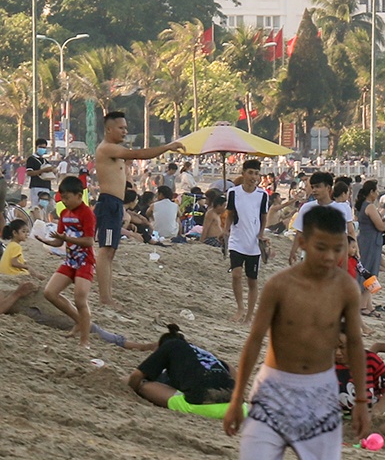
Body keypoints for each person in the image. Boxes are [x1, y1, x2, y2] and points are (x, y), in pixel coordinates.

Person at [215, 208, 367, 460]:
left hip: (320, 394)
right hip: (272, 391)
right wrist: (236, 399)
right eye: (321, 248)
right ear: (301, 242)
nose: (330, 257)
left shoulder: (346, 288)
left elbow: (355, 344)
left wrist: (363, 401)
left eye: (338, 249)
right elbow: (253, 342)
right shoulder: (279, 285)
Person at [90, 109, 185, 309]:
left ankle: (107, 296)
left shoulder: (113, 150)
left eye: (126, 128)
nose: (125, 131)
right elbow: (138, 153)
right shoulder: (107, 148)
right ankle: (104, 298)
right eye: (121, 128)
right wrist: (167, 147)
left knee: (110, 252)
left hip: (115, 205)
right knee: (105, 252)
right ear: (109, 129)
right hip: (108, 204)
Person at [35, 176, 97, 348]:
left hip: (85, 260)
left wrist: (66, 238)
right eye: (62, 198)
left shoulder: (87, 213)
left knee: (80, 298)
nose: (65, 201)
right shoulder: (64, 214)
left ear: (79, 195)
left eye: (67, 198)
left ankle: (85, 340)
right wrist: (47, 241)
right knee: (50, 292)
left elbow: (89, 241)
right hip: (70, 260)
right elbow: (60, 241)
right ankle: (79, 320)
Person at [128, 323, 236, 415]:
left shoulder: (168, 346)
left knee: (142, 385)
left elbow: (136, 376)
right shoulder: (202, 353)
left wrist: (130, 392)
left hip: (203, 406)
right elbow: (232, 370)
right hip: (238, 407)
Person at [225, 159, 272, 322]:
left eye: (257, 174)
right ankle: (240, 309)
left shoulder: (263, 195)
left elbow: (264, 217)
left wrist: (261, 234)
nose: (254, 177)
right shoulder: (233, 193)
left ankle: (250, 314)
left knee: (252, 280)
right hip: (236, 239)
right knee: (236, 274)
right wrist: (226, 230)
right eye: (250, 173)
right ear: (243, 173)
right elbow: (230, 214)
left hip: (253, 243)